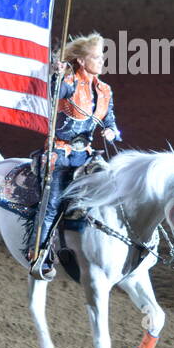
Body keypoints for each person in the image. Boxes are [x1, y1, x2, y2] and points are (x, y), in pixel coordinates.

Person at [27, 33, 122, 280]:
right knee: (52, 204)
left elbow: (108, 116)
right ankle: (38, 253)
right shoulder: (68, 82)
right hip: (61, 153)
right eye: (95, 57)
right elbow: (55, 92)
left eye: (102, 57)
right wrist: (56, 75)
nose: (101, 61)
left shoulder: (104, 89)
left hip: (87, 156)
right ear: (81, 61)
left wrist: (111, 129)